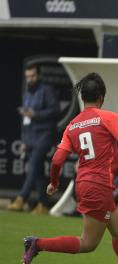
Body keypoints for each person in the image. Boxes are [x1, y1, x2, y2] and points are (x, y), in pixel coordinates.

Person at [22, 73, 118, 264]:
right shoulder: (108, 117)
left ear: (83, 97)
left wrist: (55, 182)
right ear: (102, 97)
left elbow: (57, 159)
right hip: (99, 185)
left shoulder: (73, 125)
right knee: (87, 243)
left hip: (85, 182)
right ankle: (36, 244)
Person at [8, 64, 60, 214]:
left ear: (39, 76)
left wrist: (35, 114)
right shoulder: (28, 93)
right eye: (28, 76)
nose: (30, 79)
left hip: (44, 135)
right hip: (30, 136)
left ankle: (21, 198)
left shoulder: (46, 90)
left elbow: (55, 110)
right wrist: (24, 140)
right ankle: (43, 204)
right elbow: (25, 119)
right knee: (36, 171)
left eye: (32, 76)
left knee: (32, 166)